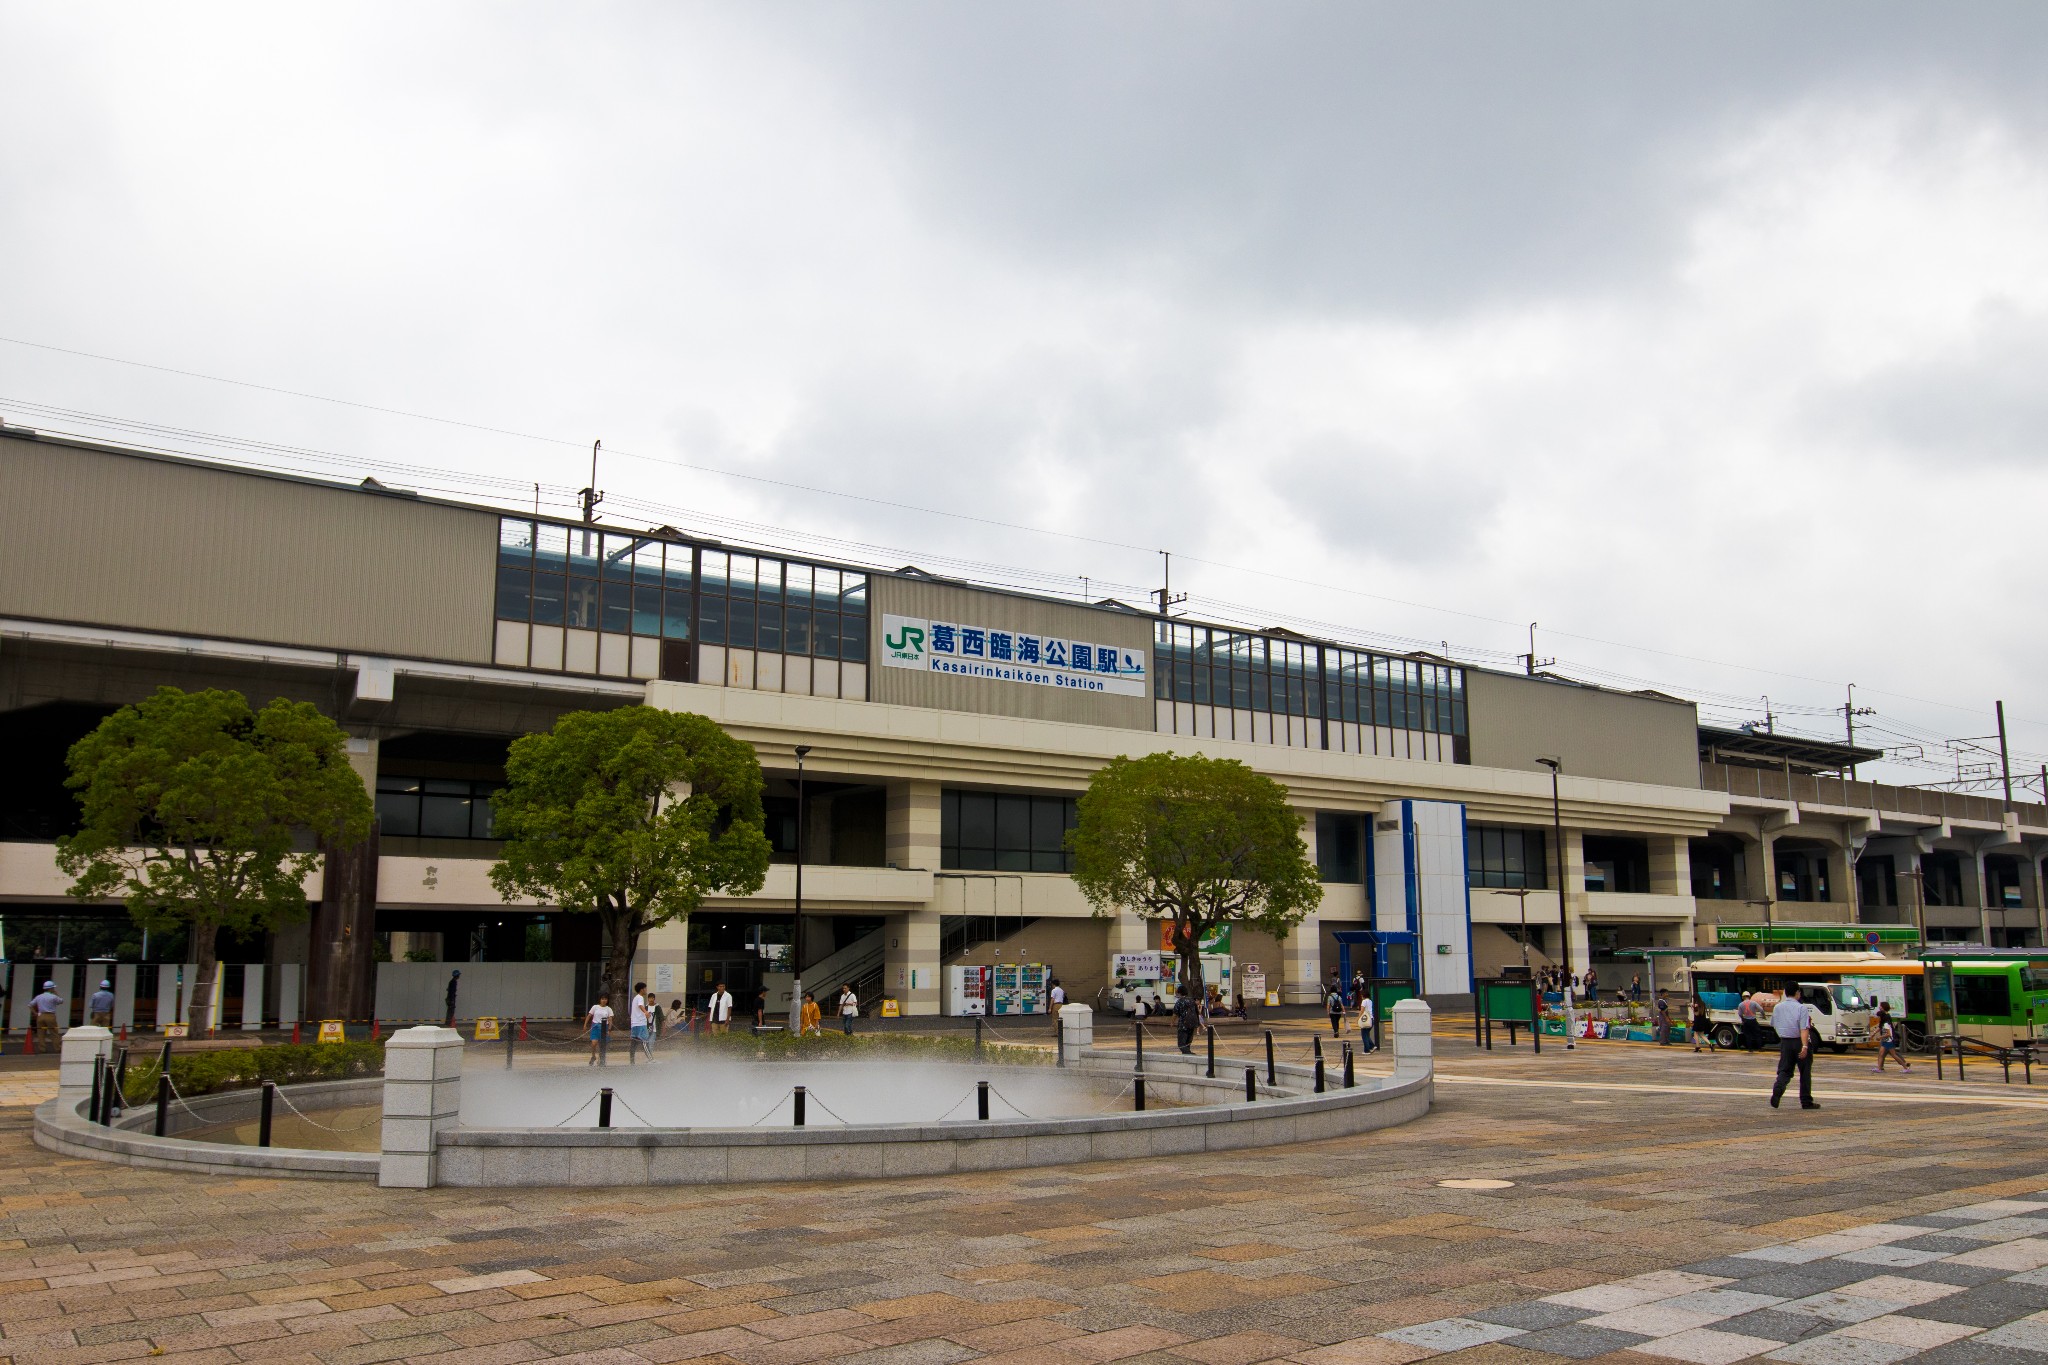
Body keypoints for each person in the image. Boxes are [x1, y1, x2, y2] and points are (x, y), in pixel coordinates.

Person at [1769, 985, 1819, 1110]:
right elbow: (1804, 1028)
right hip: (1798, 1041)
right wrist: (1805, 1046)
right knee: (1804, 1072)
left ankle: (1778, 1088)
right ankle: (1806, 1100)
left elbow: (1774, 1024)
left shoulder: (1778, 1007)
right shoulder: (1801, 1008)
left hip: (1785, 1042)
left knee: (1785, 1070)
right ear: (1797, 993)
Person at [1874, 1001, 1911, 1072]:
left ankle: (1905, 1067)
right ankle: (1879, 1068)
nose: (1879, 1007)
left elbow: (1889, 1034)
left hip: (1888, 1040)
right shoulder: (1885, 1020)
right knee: (1882, 1054)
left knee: (1893, 1055)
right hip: (1886, 1040)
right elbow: (1880, 1027)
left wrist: (1879, 1037)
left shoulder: (1886, 1022)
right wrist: (1874, 1033)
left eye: (1880, 1006)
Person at [30, 980, 63, 1052]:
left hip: (40, 1015)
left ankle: (42, 1049)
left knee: (41, 1033)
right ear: (51, 988)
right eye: (53, 988)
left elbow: (30, 1005)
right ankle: (57, 1048)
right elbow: (61, 1001)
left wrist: (35, 1013)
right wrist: (57, 994)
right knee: (54, 1033)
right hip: (50, 1015)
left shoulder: (39, 996)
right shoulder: (53, 997)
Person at [585, 993, 613, 1064]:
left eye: (605, 999)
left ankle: (601, 1058)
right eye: (602, 999)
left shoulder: (608, 1009)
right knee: (594, 1043)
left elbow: (610, 1019)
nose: (604, 1000)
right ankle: (593, 1056)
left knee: (602, 1044)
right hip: (595, 1026)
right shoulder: (595, 1007)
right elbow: (589, 1016)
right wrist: (585, 1025)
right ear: (600, 1000)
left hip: (604, 1027)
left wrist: (609, 1029)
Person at [1174, 988, 1201, 1055]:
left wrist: (1172, 1022)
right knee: (1188, 1040)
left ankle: (1187, 1053)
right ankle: (1187, 1052)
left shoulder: (1179, 1001)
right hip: (1191, 1024)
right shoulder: (1192, 1001)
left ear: (1179, 993)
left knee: (1181, 1043)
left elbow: (1175, 1013)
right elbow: (1197, 1012)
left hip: (1183, 1024)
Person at [629, 982, 651, 1060]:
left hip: (634, 1024)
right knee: (645, 1041)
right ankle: (650, 1059)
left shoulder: (635, 998)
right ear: (642, 989)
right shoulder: (640, 997)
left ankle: (632, 1061)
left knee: (634, 1043)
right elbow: (640, 1005)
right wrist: (646, 1012)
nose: (646, 990)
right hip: (640, 1023)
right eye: (645, 988)